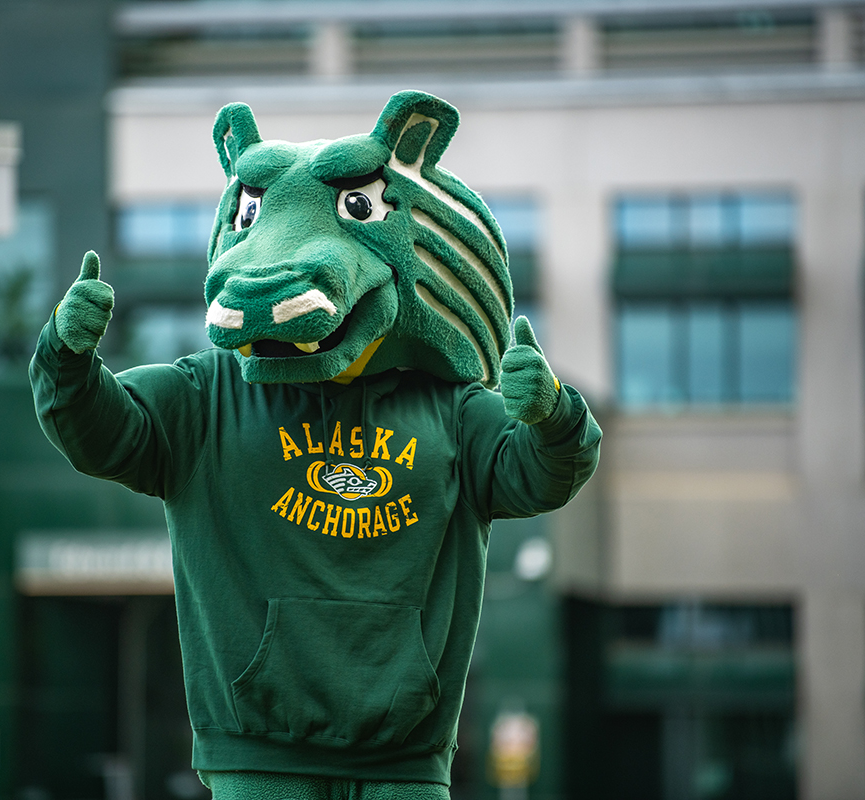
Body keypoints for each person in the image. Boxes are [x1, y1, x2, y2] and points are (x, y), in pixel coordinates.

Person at [30, 91, 601, 800]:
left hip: (405, 766)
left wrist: (551, 414)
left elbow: (546, 474)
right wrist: (67, 355)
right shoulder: (206, 396)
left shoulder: (452, 411)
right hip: (256, 760)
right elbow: (100, 431)